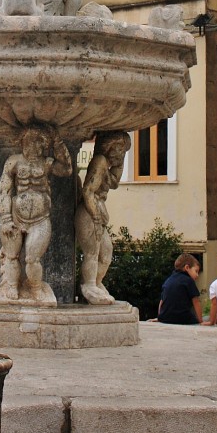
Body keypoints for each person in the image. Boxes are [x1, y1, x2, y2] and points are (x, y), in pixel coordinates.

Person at [0, 126, 72, 306]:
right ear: (22, 143)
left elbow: (66, 169)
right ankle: (11, 285)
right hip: (15, 217)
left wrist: (58, 143)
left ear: (43, 146)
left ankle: (35, 287)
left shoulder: (46, 163)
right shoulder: (13, 162)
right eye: (28, 142)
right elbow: (3, 190)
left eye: (37, 143)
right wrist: (5, 218)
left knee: (32, 258)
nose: (32, 148)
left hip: (40, 218)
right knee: (11, 255)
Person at [75, 131, 131, 305]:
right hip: (89, 212)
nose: (121, 153)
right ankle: (89, 285)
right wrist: (96, 218)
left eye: (124, 150)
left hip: (97, 211)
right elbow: (88, 191)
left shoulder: (106, 164)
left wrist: (120, 163)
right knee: (92, 252)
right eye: (120, 149)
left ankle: (94, 283)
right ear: (109, 146)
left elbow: (113, 182)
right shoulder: (99, 161)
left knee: (106, 253)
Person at [158, 253, 202, 325]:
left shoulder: (168, 280)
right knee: (207, 317)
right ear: (187, 267)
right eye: (196, 271)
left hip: (165, 318)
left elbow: (161, 301)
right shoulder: (189, 281)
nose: (197, 275)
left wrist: (160, 317)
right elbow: (196, 301)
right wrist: (201, 321)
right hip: (183, 319)